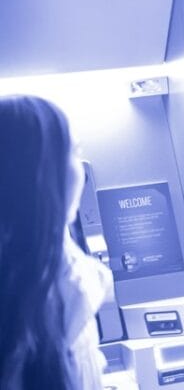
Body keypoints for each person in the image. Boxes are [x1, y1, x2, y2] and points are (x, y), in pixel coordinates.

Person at [0, 95, 112, 389]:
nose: (81, 172)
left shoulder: (42, 263)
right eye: (74, 152)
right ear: (40, 174)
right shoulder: (66, 284)